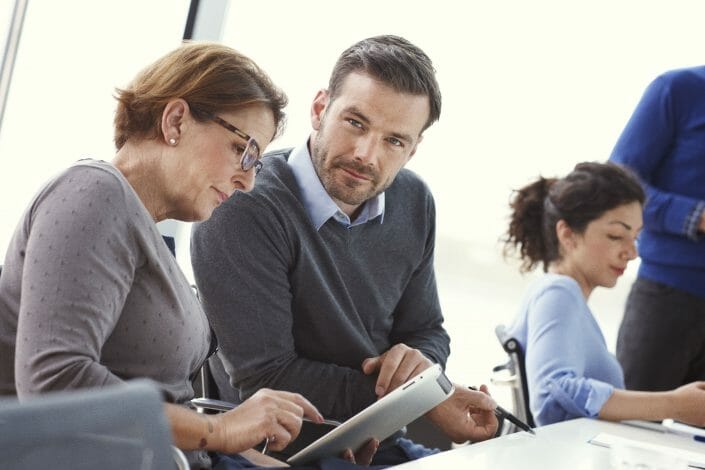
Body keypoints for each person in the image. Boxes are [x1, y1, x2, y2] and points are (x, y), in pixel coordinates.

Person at [0, 42, 325, 469]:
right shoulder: (93, 193)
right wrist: (222, 432)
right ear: (176, 120)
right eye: (243, 150)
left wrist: (244, 450)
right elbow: (54, 380)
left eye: (257, 163)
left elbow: (171, 406)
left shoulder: (142, 231)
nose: (247, 181)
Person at [191, 35, 498, 466]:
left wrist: (419, 366)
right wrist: (422, 398)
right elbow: (267, 378)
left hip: (381, 449)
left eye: (394, 141)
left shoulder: (414, 201)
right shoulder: (245, 204)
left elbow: (428, 330)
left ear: (413, 148)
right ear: (319, 109)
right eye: (356, 122)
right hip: (289, 457)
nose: (365, 154)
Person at [503, 161, 705, 426]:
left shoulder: (564, 296)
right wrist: (674, 405)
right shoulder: (558, 292)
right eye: (615, 235)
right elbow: (552, 395)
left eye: (635, 238)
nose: (631, 252)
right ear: (568, 234)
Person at [609, 66, 705, 392]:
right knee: (633, 426)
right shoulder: (677, 89)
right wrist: (696, 216)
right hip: (667, 297)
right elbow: (618, 183)